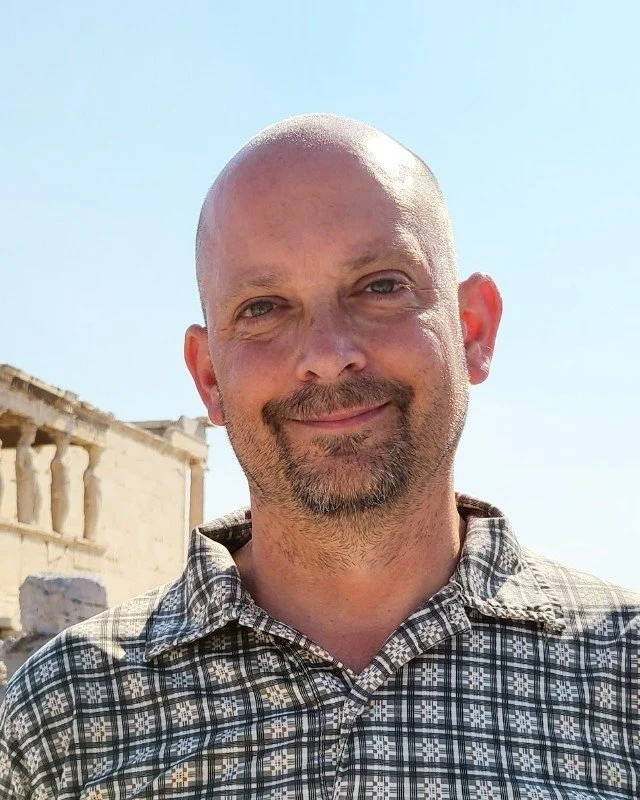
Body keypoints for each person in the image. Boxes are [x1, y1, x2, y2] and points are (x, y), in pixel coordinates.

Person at [1, 115, 638, 799]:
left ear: (472, 330)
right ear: (209, 377)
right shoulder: (63, 716)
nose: (328, 355)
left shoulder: (626, 676)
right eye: (263, 308)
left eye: (381, 286)